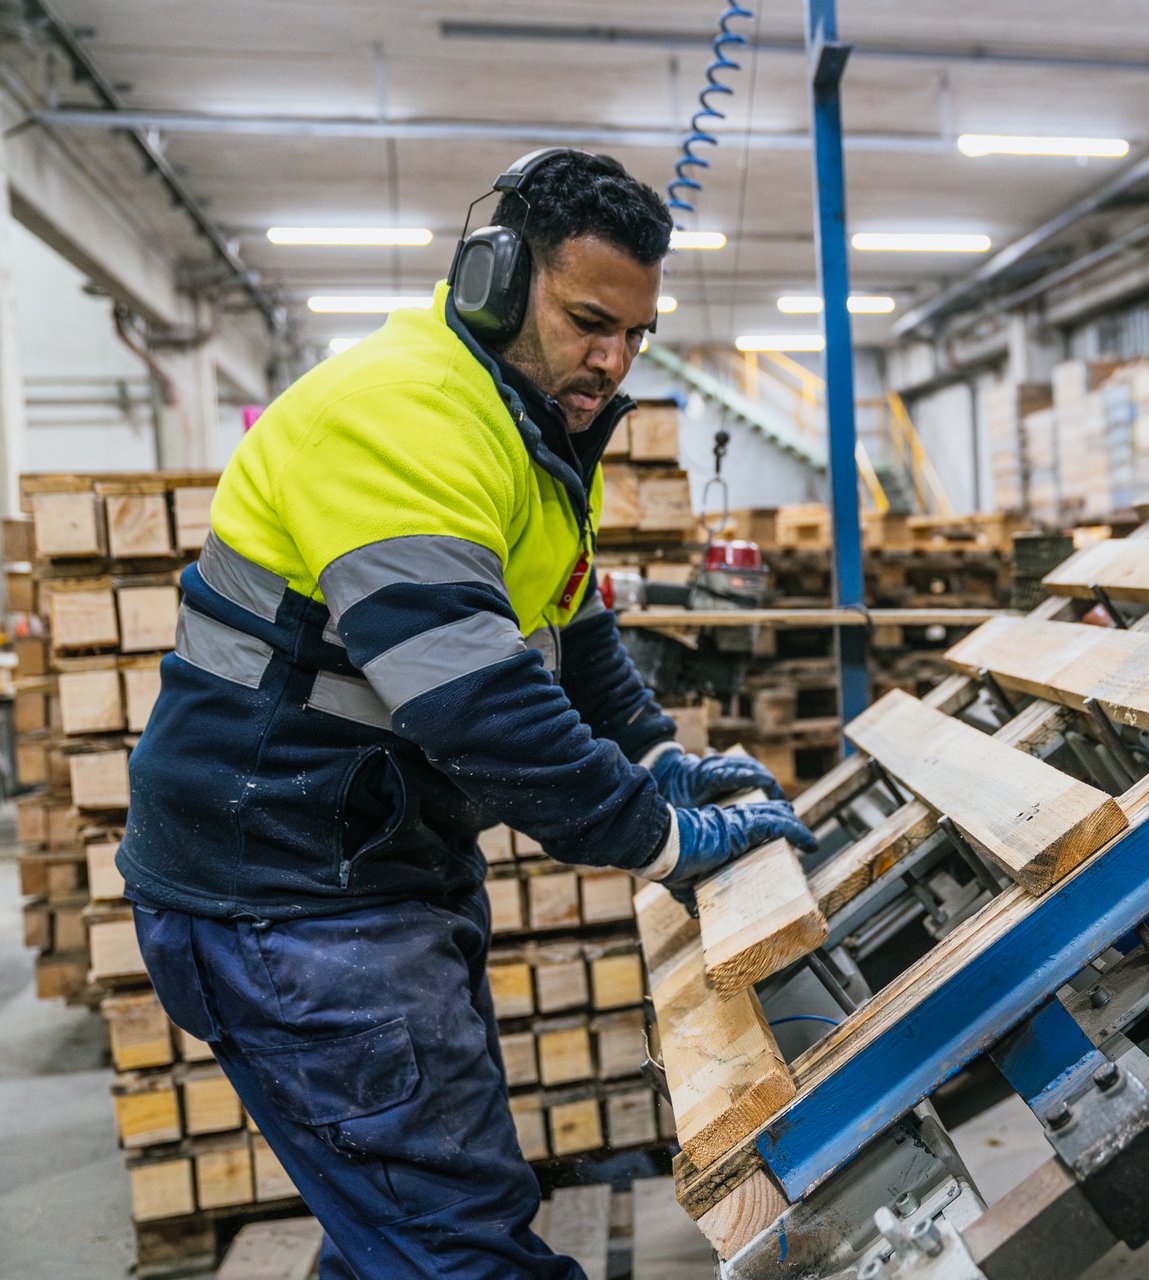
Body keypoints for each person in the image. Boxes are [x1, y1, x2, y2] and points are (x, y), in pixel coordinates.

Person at [117, 149, 813, 1278]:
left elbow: (570, 618)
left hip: (373, 862)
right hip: (287, 896)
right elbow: (478, 704)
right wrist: (665, 840)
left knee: (397, 1222)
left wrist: (653, 754)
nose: (614, 357)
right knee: (458, 1243)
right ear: (494, 276)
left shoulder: (526, 422)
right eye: (591, 319)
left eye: (636, 333)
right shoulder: (404, 417)